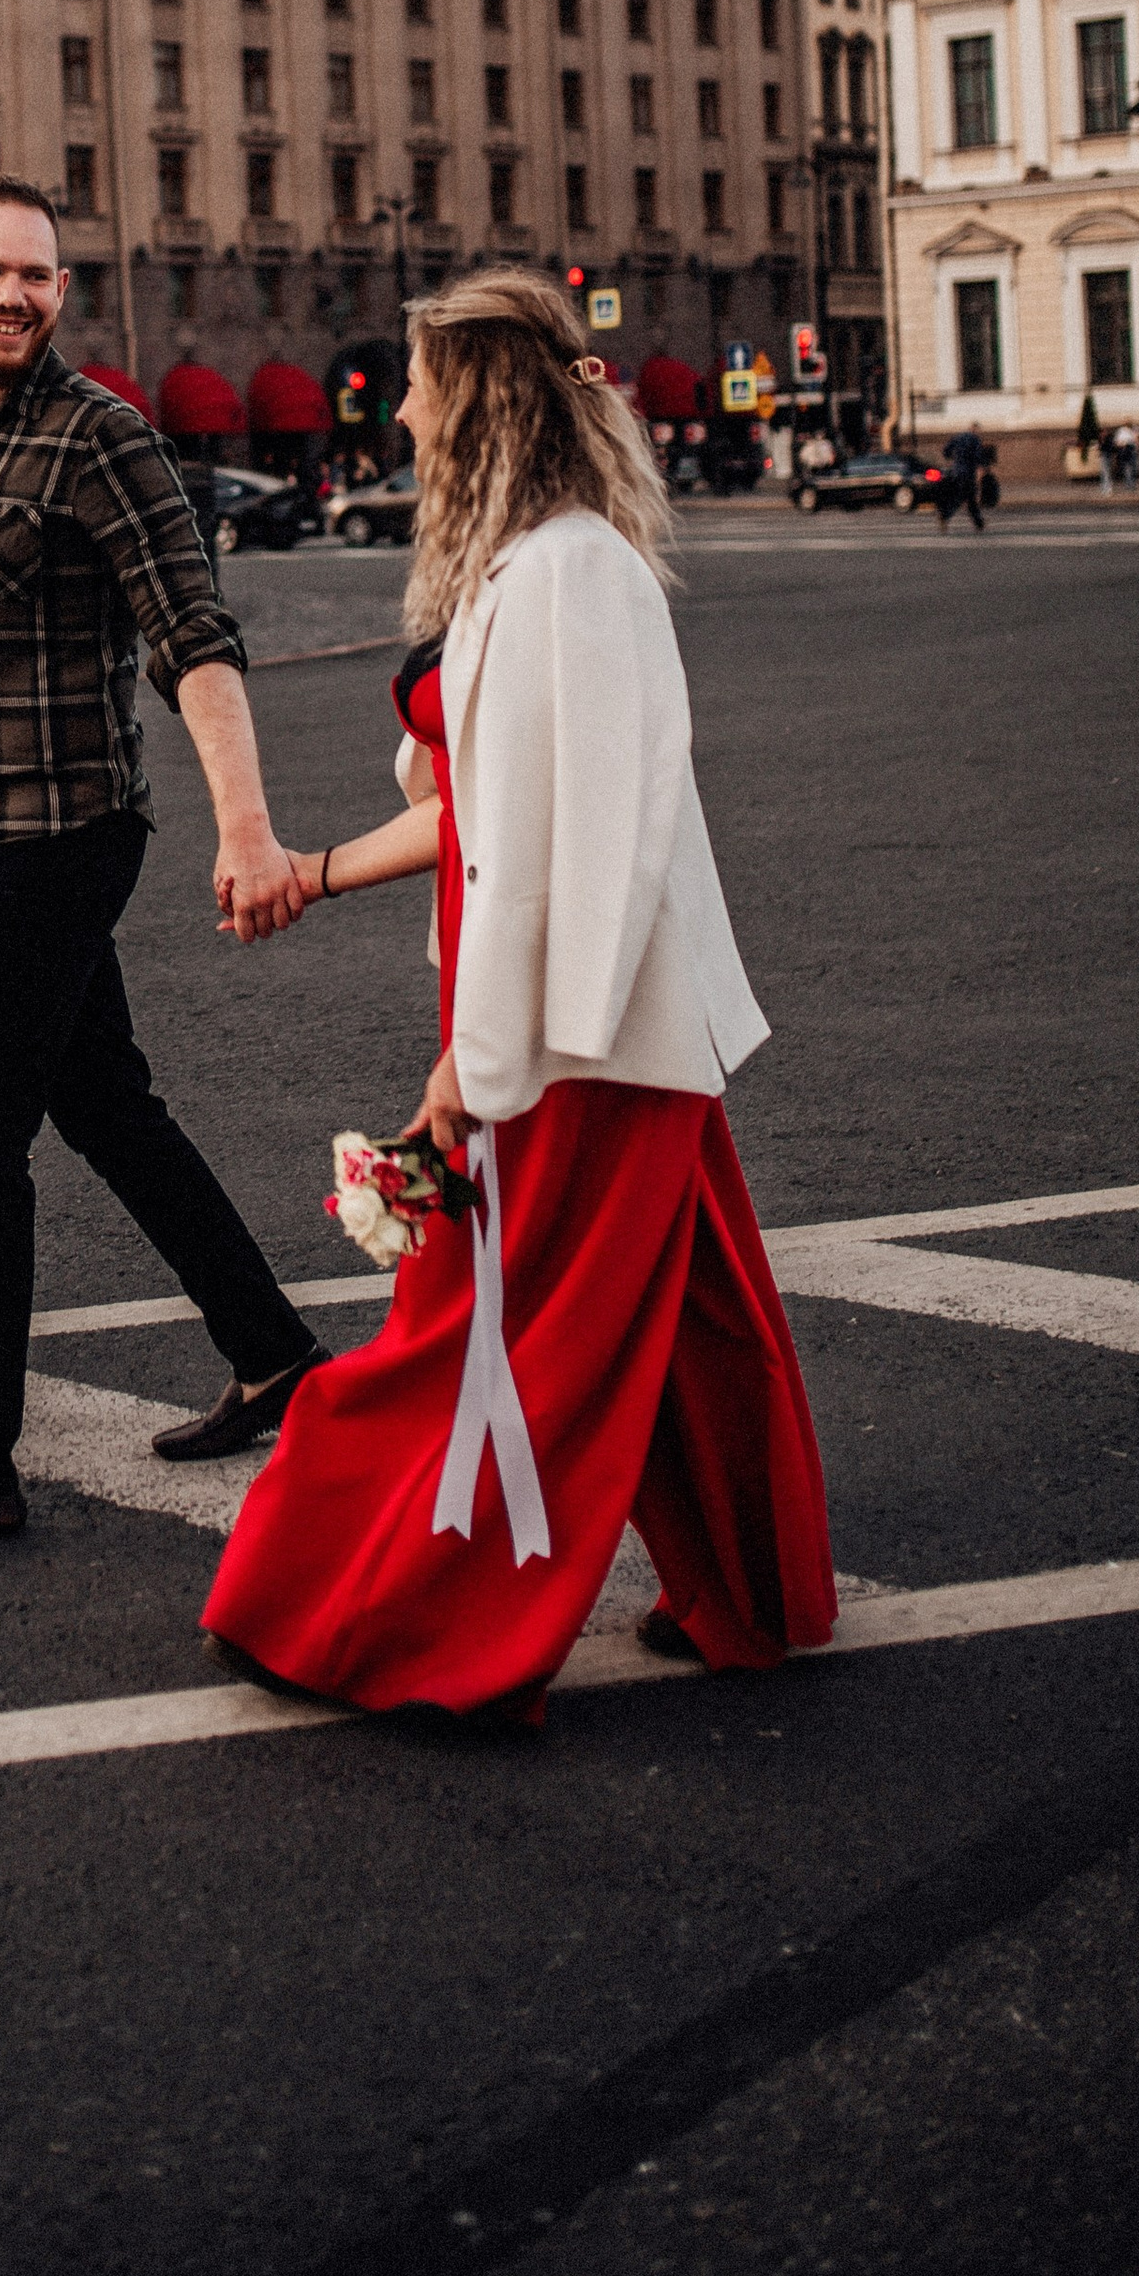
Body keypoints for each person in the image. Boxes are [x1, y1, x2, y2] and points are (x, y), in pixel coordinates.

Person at [202, 269, 836, 1722]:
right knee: (695, 1321)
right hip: (582, 1013)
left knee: (481, 1325)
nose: (402, 408)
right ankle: (751, 1591)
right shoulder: (530, 568)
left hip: (574, 1026)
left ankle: (380, 1618)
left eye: (423, 384)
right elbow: (487, 816)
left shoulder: (565, 577)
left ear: (478, 399)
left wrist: (478, 1069)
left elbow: (569, 849)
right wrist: (316, 871)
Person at [0, 177, 325, 1558]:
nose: (14, 295)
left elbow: (194, 636)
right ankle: (275, 1353)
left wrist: (248, 827)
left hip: (67, 837)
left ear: (60, 291)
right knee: (105, 1104)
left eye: (37, 275)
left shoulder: (107, 440)